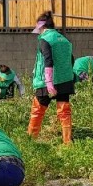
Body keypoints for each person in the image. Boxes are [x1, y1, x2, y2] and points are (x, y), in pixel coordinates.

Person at [27, 11, 76, 144]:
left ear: (42, 27)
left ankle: (30, 142)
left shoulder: (45, 39)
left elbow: (48, 60)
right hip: (65, 81)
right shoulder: (64, 39)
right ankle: (67, 143)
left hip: (46, 83)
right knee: (64, 112)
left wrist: (49, 83)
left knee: (38, 110)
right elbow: (71, 59)